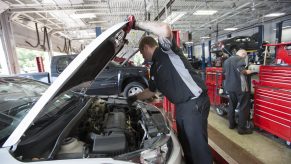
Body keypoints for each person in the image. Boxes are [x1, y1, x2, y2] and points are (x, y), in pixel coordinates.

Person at [126, 16, 212, 164]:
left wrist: (136, 24)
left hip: (194, 103)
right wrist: (133, 98)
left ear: (146, 47)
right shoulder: (154, 68)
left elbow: (165, 29)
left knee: (197, 148)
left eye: (141, 52)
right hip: (182, 107)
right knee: (186, 145)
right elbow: (151, 91)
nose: (142, 56)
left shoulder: (166, 51)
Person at [223, 49, 253, 135]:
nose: (245, 58)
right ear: (243, 54)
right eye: (245, 56)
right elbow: (242, 70)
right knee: (243, 107)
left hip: (229, 87)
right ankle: (242, 129)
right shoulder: (239, 59)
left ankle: (231, 124)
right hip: (240, 87)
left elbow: (224, 73)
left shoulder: (226, 61)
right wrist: (248, 71)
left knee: (232, 105)